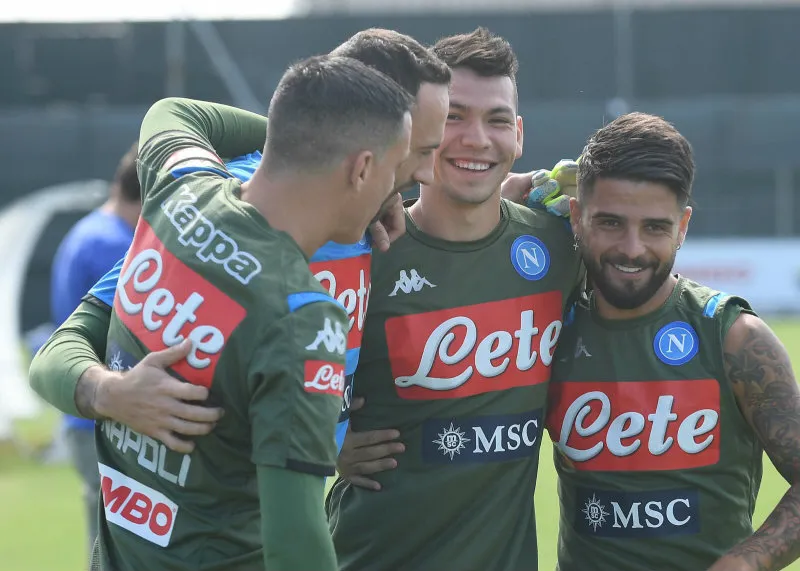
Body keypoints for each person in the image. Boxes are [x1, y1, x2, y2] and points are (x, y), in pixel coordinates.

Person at [32, 55, 413, 571]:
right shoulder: (305, 318)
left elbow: (172, 111)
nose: (400, 190)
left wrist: (105, 392)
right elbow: (295, 541)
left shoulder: (181, 191)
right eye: (398, 169)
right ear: (362, 168)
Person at [29, 28, 453, 456]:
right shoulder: (227, 212)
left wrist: (331, 444)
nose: (427, 174)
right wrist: (109, 392)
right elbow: (64, 345)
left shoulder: (370, 216)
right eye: (415, 152)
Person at [326, 28, 583, 571]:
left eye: (496, 120)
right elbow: (249, 375)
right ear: (416, 131)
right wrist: (324, 438)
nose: (477, 139)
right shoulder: (361, 253)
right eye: (454, 118)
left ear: (518, 134)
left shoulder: (561, 248)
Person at [544, 112, 800, 571]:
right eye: (611, 223)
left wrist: (744, 563)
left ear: (682, 226)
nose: (632, 248)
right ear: (577, 218)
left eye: (655, 227)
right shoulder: (546, 332)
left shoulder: (735, 338)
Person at [49, 142, 140, 554]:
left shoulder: (88, 230)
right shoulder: (115, 245)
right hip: (106, 416)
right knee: (120, 546)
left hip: (83, 408)